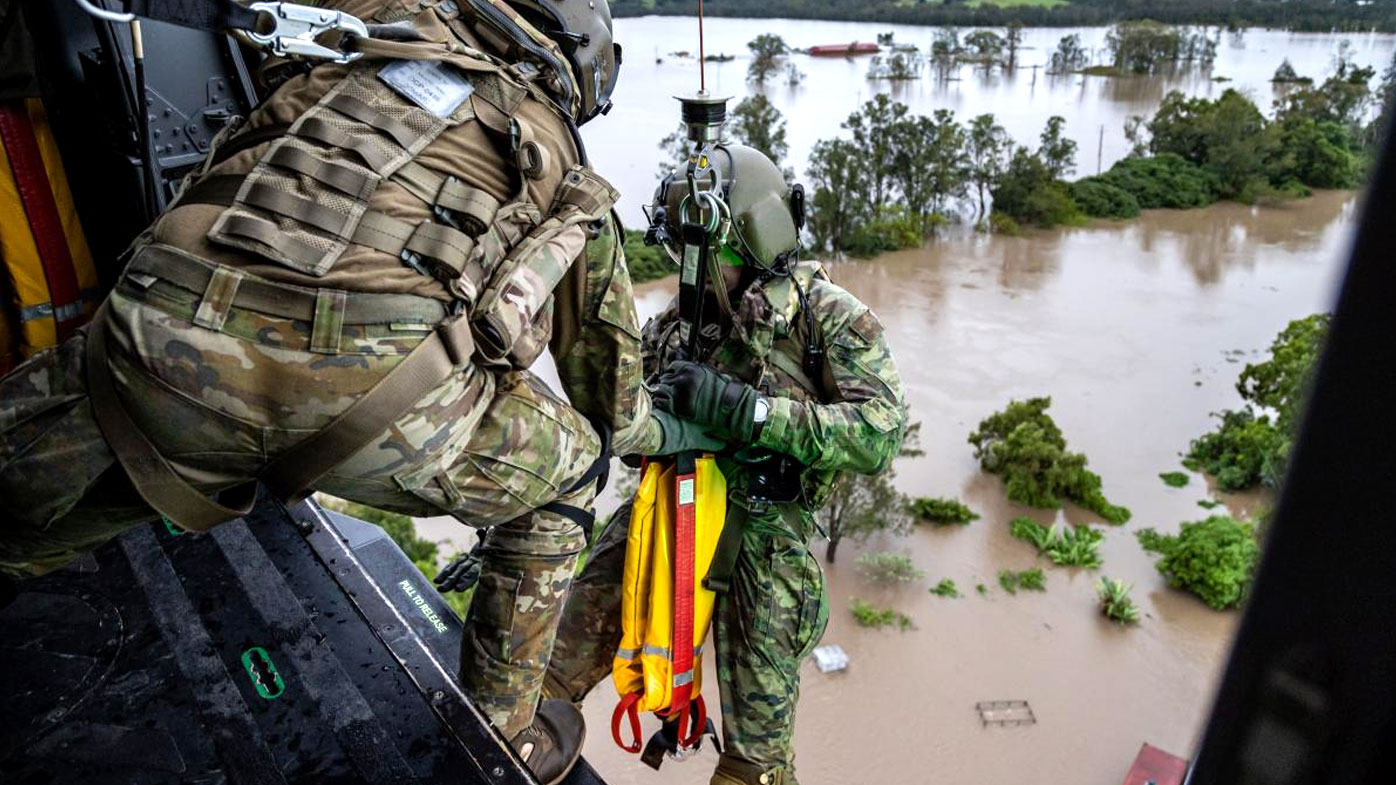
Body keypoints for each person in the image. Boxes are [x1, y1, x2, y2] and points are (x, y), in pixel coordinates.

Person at [0, 2, 713, 781]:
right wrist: (666, 433)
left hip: (156, 344)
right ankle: (503, 740)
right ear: (584, 70)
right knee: (570, 471)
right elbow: (611, 402)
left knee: (62, 489)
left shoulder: (344, 52)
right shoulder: (568, 178)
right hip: (369, 408)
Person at [541, 142, 909, 785]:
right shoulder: (682, 325)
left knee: (756, 763)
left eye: (708, 255)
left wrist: (753, 413)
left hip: (766, 541)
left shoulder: (827, 319)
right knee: (548, 666)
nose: (694, 271)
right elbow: (633, 419)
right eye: (686, 253)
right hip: (672, 508)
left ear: (757, 241)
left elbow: (879, 433)